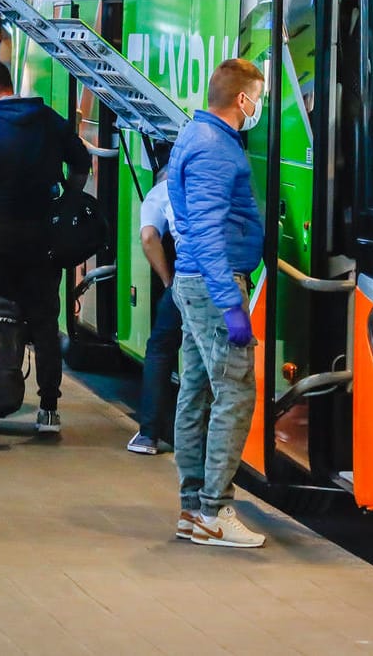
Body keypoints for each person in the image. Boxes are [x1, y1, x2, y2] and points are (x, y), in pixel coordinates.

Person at [167, 58, 268, 549]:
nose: (260, 107)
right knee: (234, 391)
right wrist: (231, 304)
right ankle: (213, 511)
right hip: (214, 283)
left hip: (194, 280)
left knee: (197, 391)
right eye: (259, 98)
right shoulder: (215, 150)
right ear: (243, 99)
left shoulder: (196, 135)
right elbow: (207, 230)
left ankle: (193, 510)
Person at [0, 59, 90, 433]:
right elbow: (81, 165)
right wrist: (66, 201)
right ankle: (48, 408)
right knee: (46, 320)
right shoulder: (49, 119)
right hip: (42, 236)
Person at [127, 152, 180, 455]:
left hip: (183, 281)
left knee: (160, 350)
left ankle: (149, 435)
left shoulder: (159, 193)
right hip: (220, 278)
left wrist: (166, 280)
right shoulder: (207, 185)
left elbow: (149, 238)